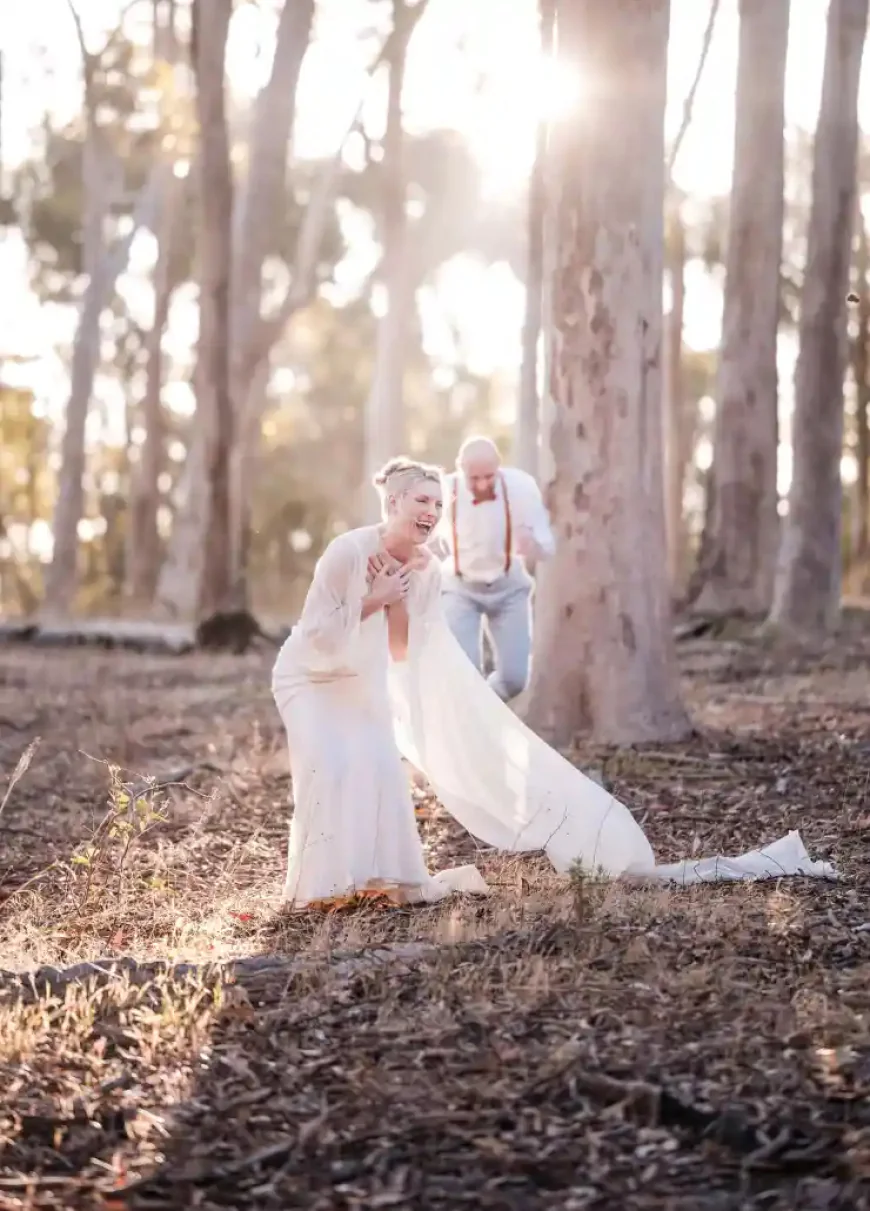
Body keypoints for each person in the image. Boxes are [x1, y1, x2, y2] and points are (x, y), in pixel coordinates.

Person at [271, 456, 834, 910]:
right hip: (309, 677)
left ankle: (370, 877)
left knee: (374, 765)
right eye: (422, 501)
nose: (432, 513)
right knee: (330, 764)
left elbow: (398, 652)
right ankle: (317, 887)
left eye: (439, 505)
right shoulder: (348, 551)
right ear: (393, 503)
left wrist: (399, 598)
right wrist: (374, 597)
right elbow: (317, 636)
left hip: (361, 678)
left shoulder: (427, 571)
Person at [437, 435, 554, 701]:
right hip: (460, 589)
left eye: (488, 476)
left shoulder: (521, 488)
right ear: (460, 469)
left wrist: (532, 543)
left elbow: (548, 546)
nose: (482, 485)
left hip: (509, 588)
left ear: (499, 465)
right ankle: (474, 715)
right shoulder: (443, 492)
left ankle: (487, 703)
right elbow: (420, 537)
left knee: (515, 680)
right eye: (474, 478)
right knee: (464, 675)